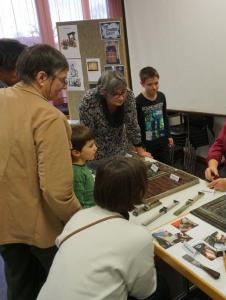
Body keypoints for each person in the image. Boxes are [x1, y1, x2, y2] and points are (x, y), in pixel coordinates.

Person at [0, 44, 81, 300]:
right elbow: (57, 191)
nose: (63, 88)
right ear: (42, 77)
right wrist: (80, 219)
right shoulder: (49, 117)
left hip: (5, 224)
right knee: (61, 287)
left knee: (20, 286)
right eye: (62, 80)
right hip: (41, 229)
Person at [37, 157, 157, 300]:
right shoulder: (139, 237)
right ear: (140, 190)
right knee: (161, 288)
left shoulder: (78, 217)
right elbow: (144, 292)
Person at [79, 70, 151, 166]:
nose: (121, 98)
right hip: (96, 154)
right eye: (115, 94)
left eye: (123, 93)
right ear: (104, 92)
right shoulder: (89, 101)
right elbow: (87, 133)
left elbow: (132, 125)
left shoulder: (128, 95)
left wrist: (140, 150)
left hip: (120, 149)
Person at [135, 66, 173, 163]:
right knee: (151, 169)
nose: (154, 87)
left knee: (167, 166)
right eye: (150, 84)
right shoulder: (138, 101)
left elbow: (164, 116)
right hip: (147, 144)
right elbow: (136, 126)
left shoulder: (161, 96)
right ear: (142, 84)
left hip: (162, 141)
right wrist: (140, 146)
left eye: (156, 83)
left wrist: (168, 135)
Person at [71, 124, 97, 208]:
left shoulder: (82, 165)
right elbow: (79, 203)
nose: (95, 148)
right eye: (91, 146)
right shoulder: (76, 173)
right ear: (76, 153)